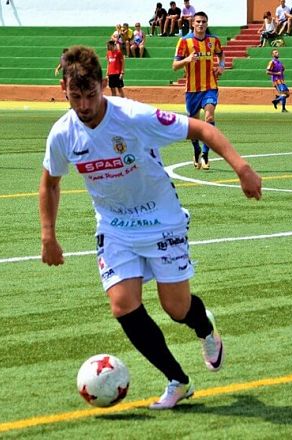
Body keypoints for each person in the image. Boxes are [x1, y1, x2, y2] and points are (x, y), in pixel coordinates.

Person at [40, 45, 261, 411]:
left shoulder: (133, 116)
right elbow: (50, 183)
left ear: (103, 86)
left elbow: (203, 129)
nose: (83, 105)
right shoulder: (63, 134)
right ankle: (178, 380)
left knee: (176, 308)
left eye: (90, 94)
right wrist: (48, 235)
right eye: (75, 96)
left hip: (161, 220)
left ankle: (204, 326)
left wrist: (242, 168)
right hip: (114, 227)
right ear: (64, 90)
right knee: (122, 305)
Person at [172, 11, 224, 170]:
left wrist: (221, 66)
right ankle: (196, 150)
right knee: (194, 126)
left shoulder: (214, 40)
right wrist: (187, 60)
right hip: (192, 90)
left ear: (207, 24)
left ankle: (206, 153)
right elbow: (175, 66)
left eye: (204, 22)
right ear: (193, 24)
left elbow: (221, 55)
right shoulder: (184, 41)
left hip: (210, 87)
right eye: (198, 22)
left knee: (209, 117)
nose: (201, 24)